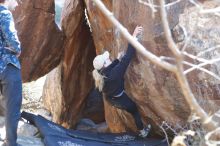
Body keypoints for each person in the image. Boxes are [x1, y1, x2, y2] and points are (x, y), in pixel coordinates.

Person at [92, 26, 151, 138]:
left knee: (127, 103)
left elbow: (112, 68)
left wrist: (117, 60)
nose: (109, 59)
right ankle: (143, 132)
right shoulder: (114, 74)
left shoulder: (101, 74)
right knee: (134, 110)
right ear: (104, 64)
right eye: (107, 59)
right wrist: (133, 37)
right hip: (119, 99)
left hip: (111, 98)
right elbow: (128, 57)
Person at [0, 0, 22, 146]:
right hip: (7, 66)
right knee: (12, 108)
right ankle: (10, 143)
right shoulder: (4, 13)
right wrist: (18, 49)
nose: (18, 4)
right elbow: (12, 40)